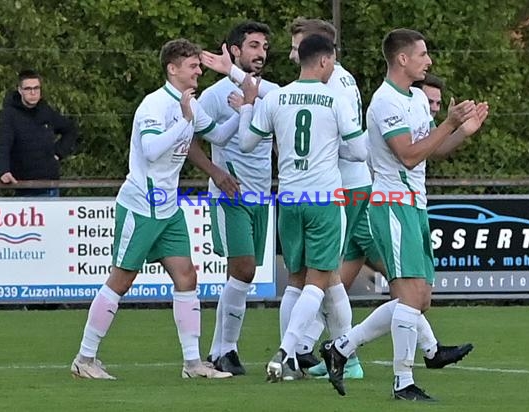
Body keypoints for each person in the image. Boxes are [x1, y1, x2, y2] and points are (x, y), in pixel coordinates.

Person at [320, 28, 489, 401]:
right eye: (423, 54)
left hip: (415, 205)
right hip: (392, 206)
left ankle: (341, 347)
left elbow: (433, 149)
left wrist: (463, 131)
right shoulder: (384, 102)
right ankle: (402, 382)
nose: (428, 61)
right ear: (402, 59)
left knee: (419, 299)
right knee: (412, 298)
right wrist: (449, 122)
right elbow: (408, 154)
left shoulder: (414, 98)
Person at [70, 38, 242, 380]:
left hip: (168, 209)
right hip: (141, 206)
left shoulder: (190, 104)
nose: (198, 71)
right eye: (192, 66)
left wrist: (245, 109)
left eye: (198, 65)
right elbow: (150, 150)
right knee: (122, 280)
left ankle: (193, 364)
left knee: (186, 276)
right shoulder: (154, 105)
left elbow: (220, 136)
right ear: (172, 68)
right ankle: (84, 359)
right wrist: (184, 120)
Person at [237, 33, 367, 382]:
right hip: (324, 198)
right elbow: (358, 152)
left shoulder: (276, 98)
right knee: (320, 279)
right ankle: (288, 350)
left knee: (296, 280)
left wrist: (248, 104)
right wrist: (332, 146)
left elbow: (248, 142)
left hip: (290, 198)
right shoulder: (334, 98)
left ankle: (319, 360)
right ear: (324, 61)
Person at [188, 21, 279, 376]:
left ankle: (219, 350)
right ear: (235, 51)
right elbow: (189, 140)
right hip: (230, 194)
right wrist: (215, 172)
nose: (260, 53)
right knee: (242, 268)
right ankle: (226, 348)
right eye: (253, 45)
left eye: (265, 47)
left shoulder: (271, 91)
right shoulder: (212, 96)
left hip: (262, 195)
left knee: (244, 272)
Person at [0, 69, 77, 197]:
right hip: (23, 186)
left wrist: (58, 152)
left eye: (36, 88)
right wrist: (3, 170)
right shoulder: (10, 115)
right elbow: (3, 144)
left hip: (50, 184)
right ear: (20, 90)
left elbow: (70, 129)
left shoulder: (45, 111)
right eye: (28, 89)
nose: (33, 93)